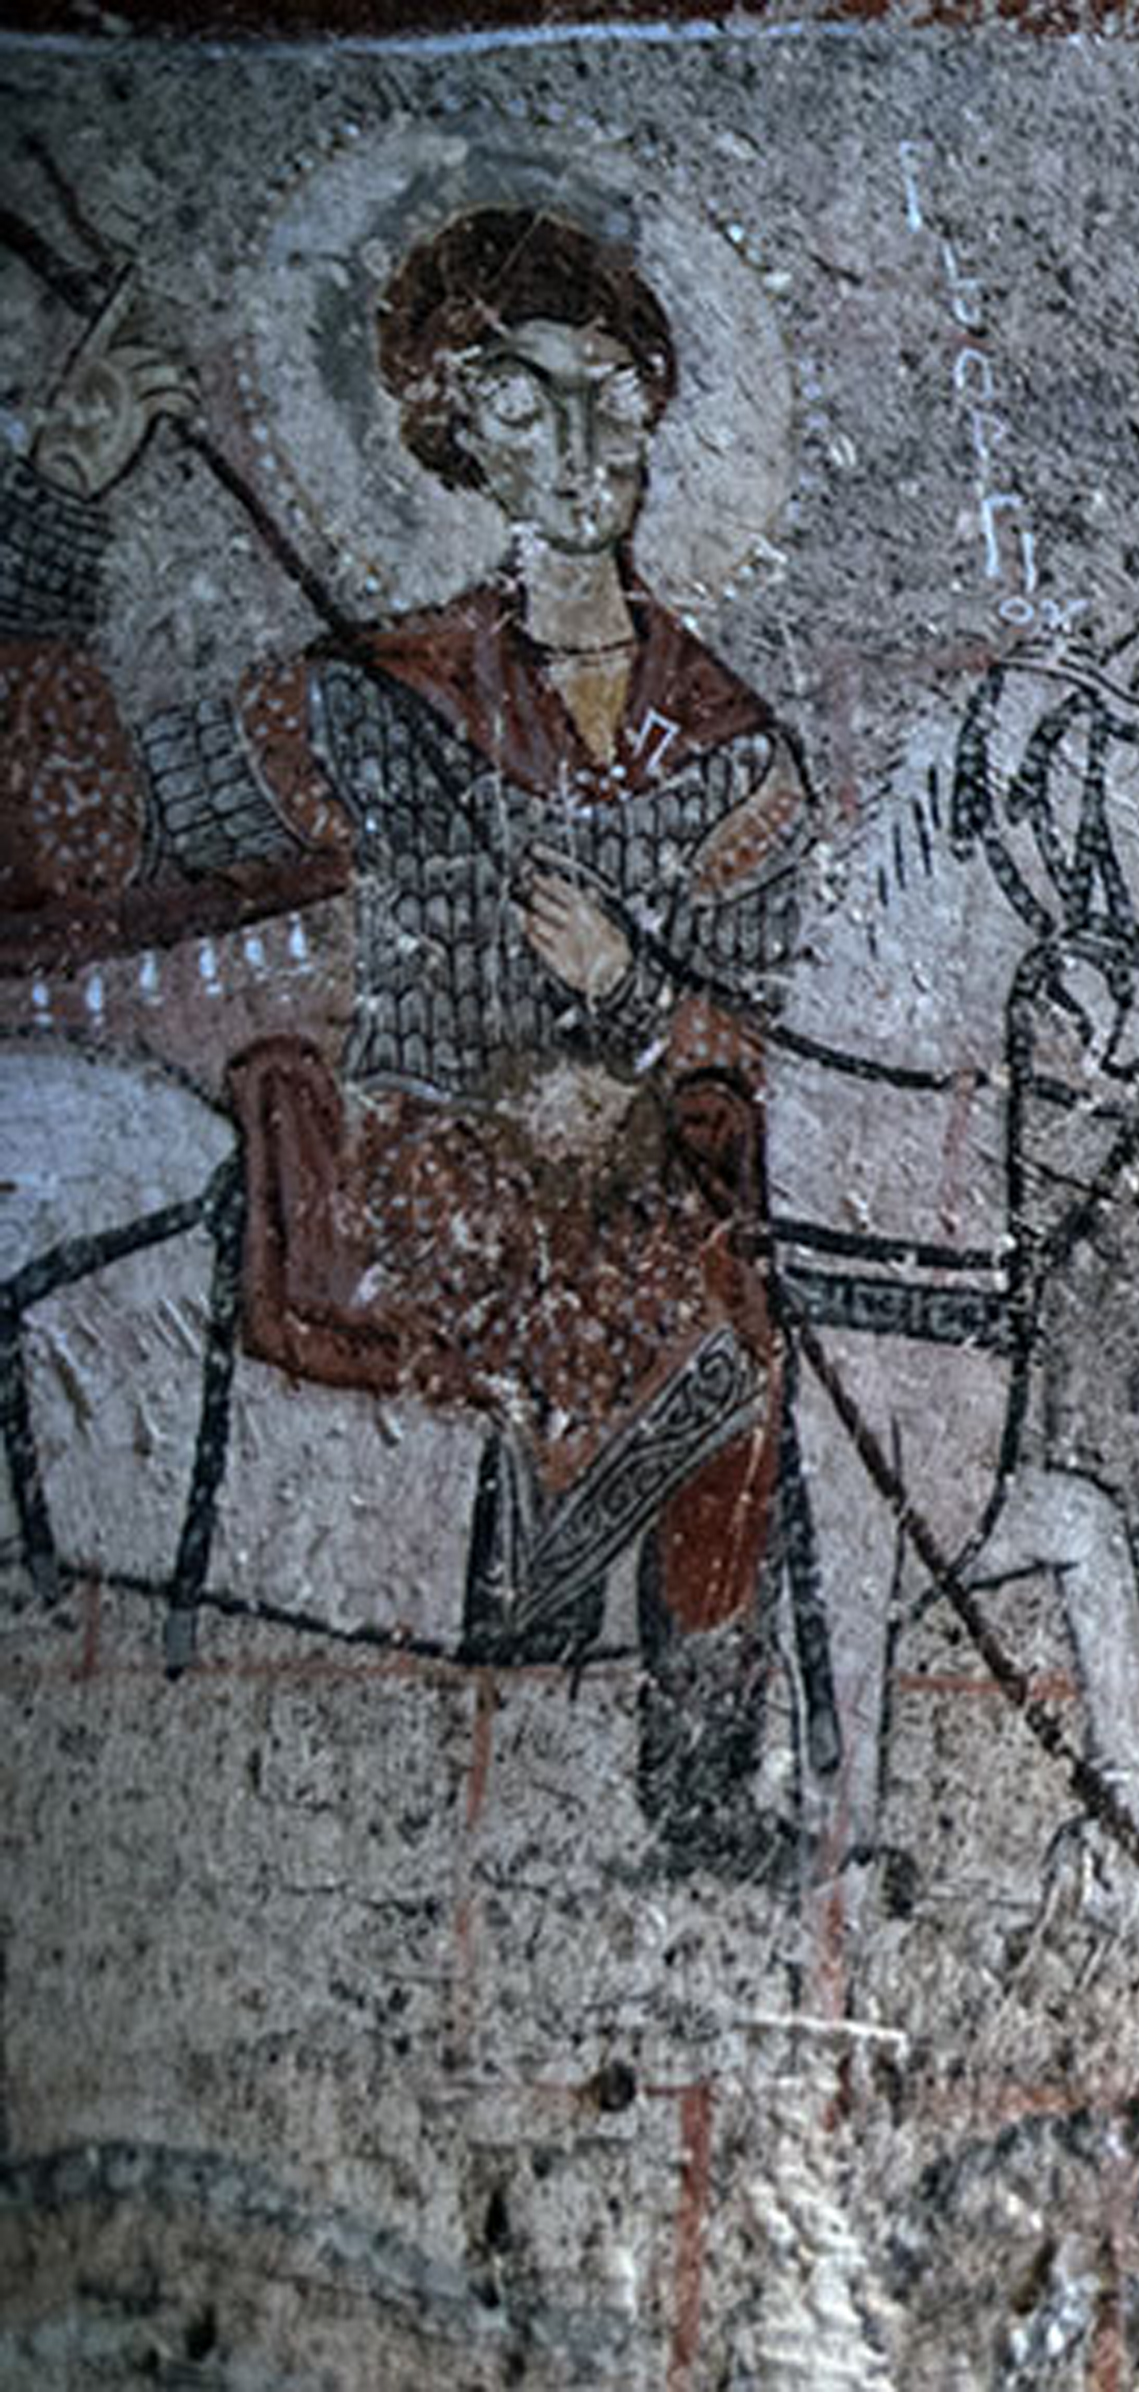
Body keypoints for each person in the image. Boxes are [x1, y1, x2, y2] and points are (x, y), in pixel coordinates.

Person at [1, 208, 815, 1876]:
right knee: (663, 1310)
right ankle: (532, 1609)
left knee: (728, 1319)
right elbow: (101, 844)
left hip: (645, 1183)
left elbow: (771, 1036)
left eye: (604, 390)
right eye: (520, 400)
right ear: (456, 435)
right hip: (425, 1159)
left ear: (659, 410)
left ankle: (700, 1774)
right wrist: (55, 523)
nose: (579, 437)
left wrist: (635, 997)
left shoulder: (735, 749)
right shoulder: (373, 701)